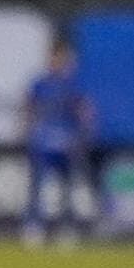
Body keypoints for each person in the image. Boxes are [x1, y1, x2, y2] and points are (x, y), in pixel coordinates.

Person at [20, 30, 97, 247]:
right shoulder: (40, 83)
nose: (59, 61)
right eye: (56, 57)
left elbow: (85, 110)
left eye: (62, 57)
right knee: (38, 185)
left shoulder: (73, 85)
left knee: (68, 187)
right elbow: (29, 108)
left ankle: (67, 227)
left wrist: (85, 132)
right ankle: (34, 226)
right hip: (42, 142)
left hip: (67, 143)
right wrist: (25, 130)